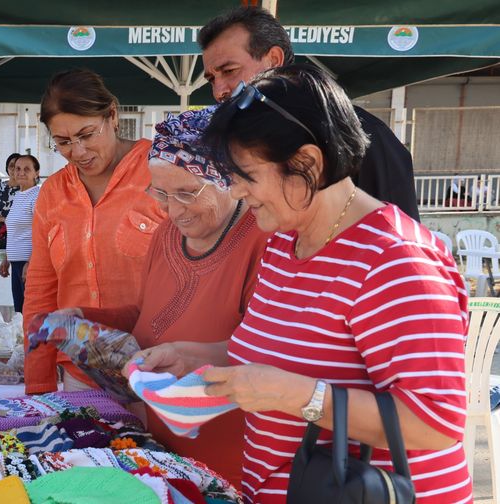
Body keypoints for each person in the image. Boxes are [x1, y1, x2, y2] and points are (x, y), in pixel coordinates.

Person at [150, 64, 468, 502]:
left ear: (306, 163)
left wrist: (295, 395)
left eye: (246, 175)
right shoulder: (284, 241)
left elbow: (434, 423)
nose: (237, 192)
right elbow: (286, 354)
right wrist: (192, 356)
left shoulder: (396, 260)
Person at [59, 107, 268, 486]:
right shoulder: (166, 234)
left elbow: (267, 353)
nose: (173, 211)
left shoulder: (264, 240)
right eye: (161, 194)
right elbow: (147, 313)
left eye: (187, 193)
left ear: (228, 180)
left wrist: (190, 357)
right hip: (163, 444)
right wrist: (86, 318)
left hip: (234, 453)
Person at [198, 6, 421, 221]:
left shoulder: (362, 132)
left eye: (229, 71)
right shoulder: (242, 141)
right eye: (211, 79)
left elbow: (396, 230)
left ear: (274, 60)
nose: (219, 91)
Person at [23, 69, 167, 394]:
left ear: (112, 115)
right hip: (80, 374)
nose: (78, 151)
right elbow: (40, 296)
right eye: (62, 142)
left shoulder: (162, 172)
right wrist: (40, 386)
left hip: (156, 369)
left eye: (87, 135)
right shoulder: (53, 194)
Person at [0, 154, 41, 313]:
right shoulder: (19, 195)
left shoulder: (37, 195)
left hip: (29, 263)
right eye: (17, 169)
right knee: (19, 312)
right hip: (17, 263)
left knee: (30, 313)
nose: (21, 172)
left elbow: (41, 230)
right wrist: (7, 258)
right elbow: (15, 230)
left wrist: (31, 263)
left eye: (27, 169)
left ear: (36, 173)